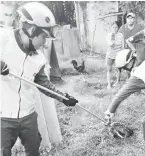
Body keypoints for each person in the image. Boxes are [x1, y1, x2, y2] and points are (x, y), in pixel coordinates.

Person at [0, 2, 78, 156]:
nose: (45, 42)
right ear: (32, 30)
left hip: (28, 116)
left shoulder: (39, 58)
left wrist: (63, 98)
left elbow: (44, 85)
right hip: (3, 117)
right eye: (44, 37)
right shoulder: (3, 39)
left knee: (34, 150)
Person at [106, 21, 124, 89]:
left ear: (118, 28)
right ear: (111, 28)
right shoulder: (108, 35)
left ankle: (117, 82)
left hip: (118, 55)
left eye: (116, 27)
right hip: (110, 54)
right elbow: (111, 44)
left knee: (118, 69)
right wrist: (113, 37)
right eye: (113, 27)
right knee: (109, 69)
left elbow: (122, 46)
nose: (114, 28)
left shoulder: (121, 35)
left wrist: (122, 54)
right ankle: (109, 84)